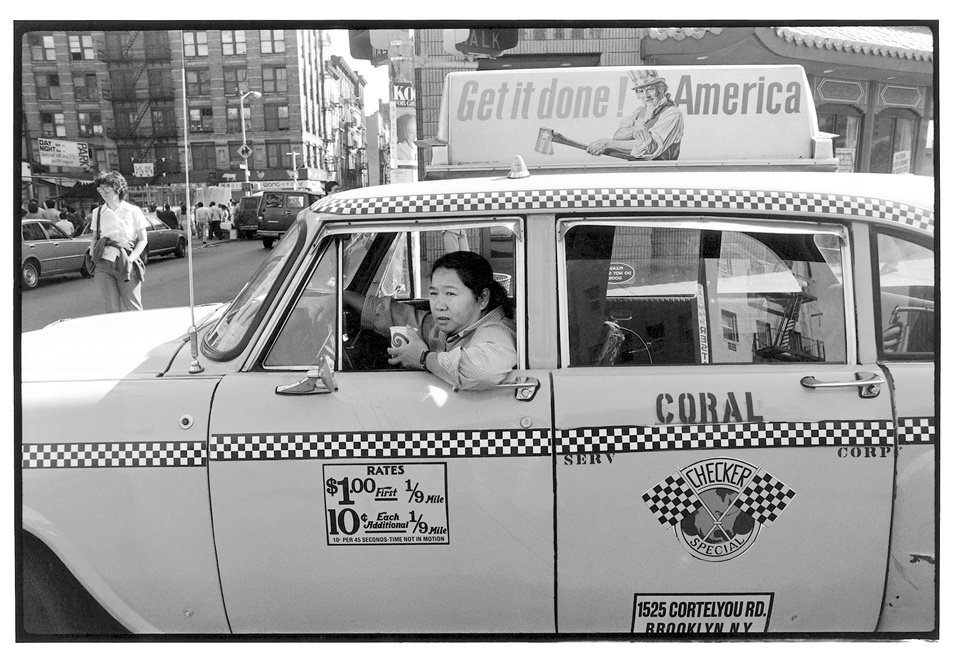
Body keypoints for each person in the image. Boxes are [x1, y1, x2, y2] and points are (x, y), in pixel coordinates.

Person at [344, 251, 516, 391]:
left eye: (450, 294)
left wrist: (423, 358)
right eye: (434, 294)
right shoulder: (446, 328)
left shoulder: (496, 331)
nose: (439, 305)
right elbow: (396, 314)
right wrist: (340, 296)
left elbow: (481, 371)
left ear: (483, 298)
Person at [586, 69, 684, 161]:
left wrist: (606, 143)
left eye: (650, 89)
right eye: (641, 91)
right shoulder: (639, 111)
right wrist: (635, 129)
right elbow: (618, 136)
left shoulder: (672, 114)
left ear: (661, 89)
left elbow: (649, 148)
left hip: (661, 170)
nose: (646, 96)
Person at [88, 170, 149, 313]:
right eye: (100, 189)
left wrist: (131, 259)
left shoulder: (133, 211)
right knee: (112, 310)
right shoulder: (97, 212)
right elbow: (95, 236)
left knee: (133, 307)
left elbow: (142, 240)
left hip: (126, 263)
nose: (103, 192)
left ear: (118, 188)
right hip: (103, 264)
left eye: (107, 188)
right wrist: (92, 250)